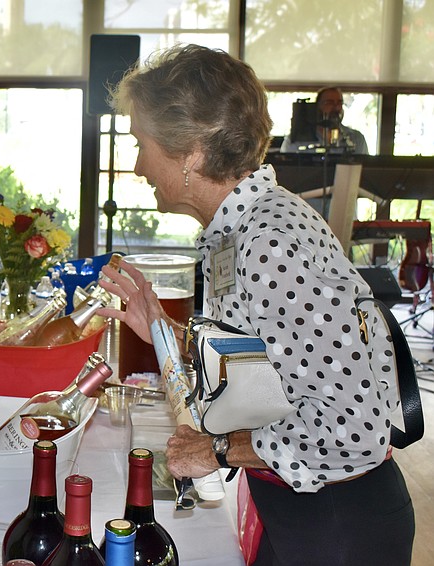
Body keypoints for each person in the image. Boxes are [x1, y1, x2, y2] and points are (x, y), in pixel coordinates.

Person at [98, 45, 414, 565]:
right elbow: (271, 365)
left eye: (142, 143)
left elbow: (350, 427)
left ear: (191, 152)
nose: (137, 166)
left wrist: (216, 450)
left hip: (337, 525)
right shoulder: (243, 228)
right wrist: (162, 328)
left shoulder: (267, 240)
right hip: (303, 511)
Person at [280, 86, 369, 154]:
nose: (336, 108)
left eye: (339, 103)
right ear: (317, 106)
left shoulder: (356, 139)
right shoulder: (296, 141)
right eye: (329, 103)